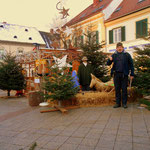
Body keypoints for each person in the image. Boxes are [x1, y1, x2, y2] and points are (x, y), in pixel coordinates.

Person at [107, 42, 134, 109]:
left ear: (122, 47)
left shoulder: (127, 55)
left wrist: (132, 74)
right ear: (116, 48)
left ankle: (124, 103)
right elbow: (108, 64)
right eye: (118, 47)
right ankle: (118, 103)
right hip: (116, 75)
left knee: (124, 89)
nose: (119, 48)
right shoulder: (114, 55)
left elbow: (131, 65)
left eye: (120, 47)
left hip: (124, 75)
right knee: (117, 89)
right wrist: (109, 60)